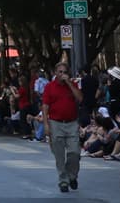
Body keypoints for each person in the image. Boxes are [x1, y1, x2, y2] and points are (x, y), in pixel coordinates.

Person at [40, 61, 83, 193]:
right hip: (56, 123)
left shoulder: (73, 85)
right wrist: (46, 124)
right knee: (59, 155)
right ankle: (63, 181)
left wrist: (69, 83)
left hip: (72, 123)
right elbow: (45, 106)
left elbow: (80, 99)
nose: (62, 74)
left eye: (65, 72)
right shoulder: (49, 87)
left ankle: (72, 175)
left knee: (74, 153)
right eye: (60, 72)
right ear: (55, 73)